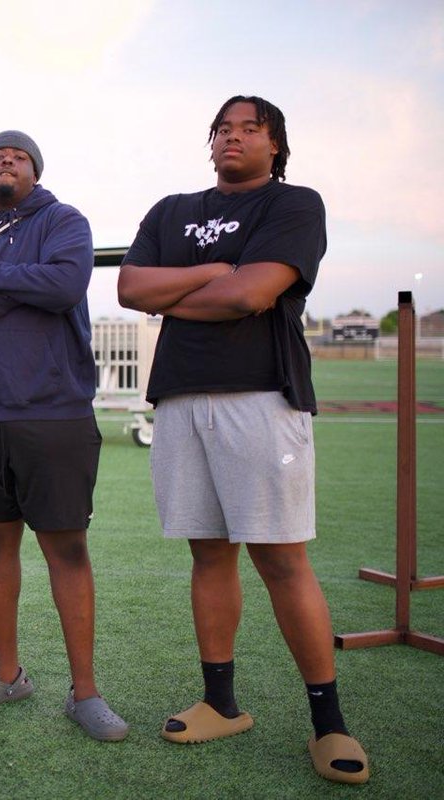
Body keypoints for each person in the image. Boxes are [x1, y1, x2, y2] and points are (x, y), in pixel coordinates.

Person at [118, 95, 368, 784]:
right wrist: (208, 274)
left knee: (283, 561)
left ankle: (329, 723)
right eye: (222, 129)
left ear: (276, 145)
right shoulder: (172, 210)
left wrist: (187, 293)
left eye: (249, 129)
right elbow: (131, 288)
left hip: (261, 397)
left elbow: (251, 296)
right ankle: (221, 703)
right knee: (208, 554)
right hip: (179, 399)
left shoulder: (294, 204)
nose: (232, 138)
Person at [0, 132, 127, 739]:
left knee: (66, 548)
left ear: (35, 170)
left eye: (17, 157)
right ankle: (7, 674)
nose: (4, 162)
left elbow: (64, 287)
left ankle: (85, 692)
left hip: (54, 410)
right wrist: (12, 294)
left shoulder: (64, 220)